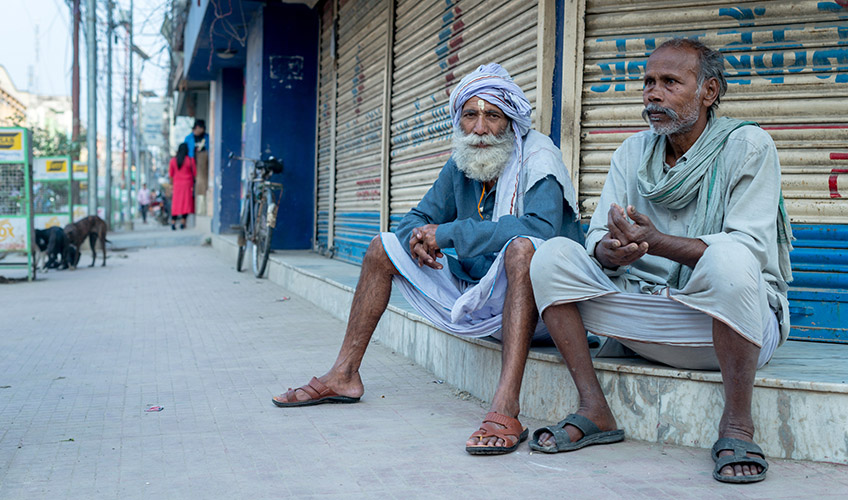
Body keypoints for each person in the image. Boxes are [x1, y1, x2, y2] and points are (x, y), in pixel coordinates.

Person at [273, 63, 582, 455]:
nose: (480, 128)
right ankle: (344, 374)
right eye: (470, 115)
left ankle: (506, 405)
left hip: (539, 312)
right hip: (479, 296)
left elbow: (539, 230)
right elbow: (415, 219)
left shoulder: (539, 158)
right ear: (460, 121)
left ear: (512, 122)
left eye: (493, 116)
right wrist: (417, 240)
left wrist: (447, 233)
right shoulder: (464, 162)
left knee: (523, 248)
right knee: (382, 247)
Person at [528, 39, 792, 483]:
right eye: (648, 82)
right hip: (644, 323)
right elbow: (596, 234)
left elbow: (749, 249)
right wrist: (607, 251)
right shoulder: (632, 152)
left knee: (732, 257)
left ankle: (737, 425)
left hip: (726, 326)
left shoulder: (749, 146)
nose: (652, 93)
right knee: (550, 254)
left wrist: (656, 242)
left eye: (670, 82)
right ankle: (595, 408)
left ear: (709, 92)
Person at [168, 143, 196, 230]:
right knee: (185, 204)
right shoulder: (190, 160)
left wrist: (173, 184)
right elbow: (194, 173)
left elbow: (171, 175)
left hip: (177, 185)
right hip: (187, 185)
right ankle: (183, 223)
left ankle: (173, 223)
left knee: (176, 204)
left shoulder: (173, 161)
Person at [185, 119, 210, 216]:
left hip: (205, 163)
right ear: (197, 128)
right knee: (198, 185)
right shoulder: (189, 138)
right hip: (193, 163)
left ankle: (204, 208)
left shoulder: (207, 137)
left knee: (204, 183)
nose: (202, 130)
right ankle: (198, 209)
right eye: (201, 128)